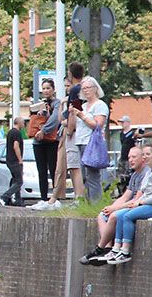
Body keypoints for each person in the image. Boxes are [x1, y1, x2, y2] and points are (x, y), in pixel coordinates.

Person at [81, 146, 149, 265]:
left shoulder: (146, 174)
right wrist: (110, 207)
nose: (130, 160)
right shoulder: (134, 175)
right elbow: (125, 196)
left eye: (134, 157)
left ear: (142, 159)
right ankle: (108, 249)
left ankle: (100, 248)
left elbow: (137, 199)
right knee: (102, 215)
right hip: (130, 204)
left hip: (137, 205)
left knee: (114, 216)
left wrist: (115, 209)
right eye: (129, 157)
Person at [39, 63, 86, 210]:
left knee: (71, 166)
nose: (66, 87)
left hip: (70, 133)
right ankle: (57, 197)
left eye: (67, 84)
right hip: (70, 131)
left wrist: (70, 128)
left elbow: (70, 114)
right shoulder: (78, 91)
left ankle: (74, 198)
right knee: (66, 167)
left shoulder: (75, 91)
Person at [72, 75, 109, 202]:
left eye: (88, 87)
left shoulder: (100, 105)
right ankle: (87, 202)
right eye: (83, 88)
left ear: (95, 88)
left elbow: (97, 125)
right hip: (81, 141)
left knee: (92, 175)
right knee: (84, 176)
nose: (86, 90)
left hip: (92, 143)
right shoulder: (83, 106)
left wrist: (82, 116)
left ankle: (96, 203)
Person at [29, 79, 61, 206]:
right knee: (41, 171)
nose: (46, 91)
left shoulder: (57, 103)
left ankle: (54, 198)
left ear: (53, 89)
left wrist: (43, 130)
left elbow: (55, 119)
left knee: (53, 169)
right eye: (44, 88)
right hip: (38, 142)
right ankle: (43, 198)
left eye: (48, 88)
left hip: (51, 140)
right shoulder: (39, 104)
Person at [0, 116, 25, 206]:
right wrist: (20, 159)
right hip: (15, 160)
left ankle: (17, 200)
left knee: (15, 180)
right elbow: (15, 146)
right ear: (19, 123)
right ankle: (4, 197)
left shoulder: (10, 132)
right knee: (19, 181)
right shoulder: (17, 133)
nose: (24, 124)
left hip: (9, 160)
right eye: (23, 122)